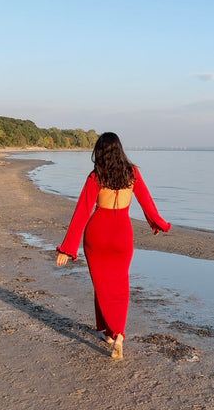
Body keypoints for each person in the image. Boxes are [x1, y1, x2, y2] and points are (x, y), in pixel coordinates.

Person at [56, 132, 171, 359]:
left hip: (97, 235)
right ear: (120, 150)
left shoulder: (95, 176)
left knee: (102, 285)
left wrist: (68, 249)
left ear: (99, 152)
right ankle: (116, 334)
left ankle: (110, 333)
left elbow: (81, 213)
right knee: (119, 286)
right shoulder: (132, 173)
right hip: (122, 236)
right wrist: (160, 224)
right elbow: (147, 203)